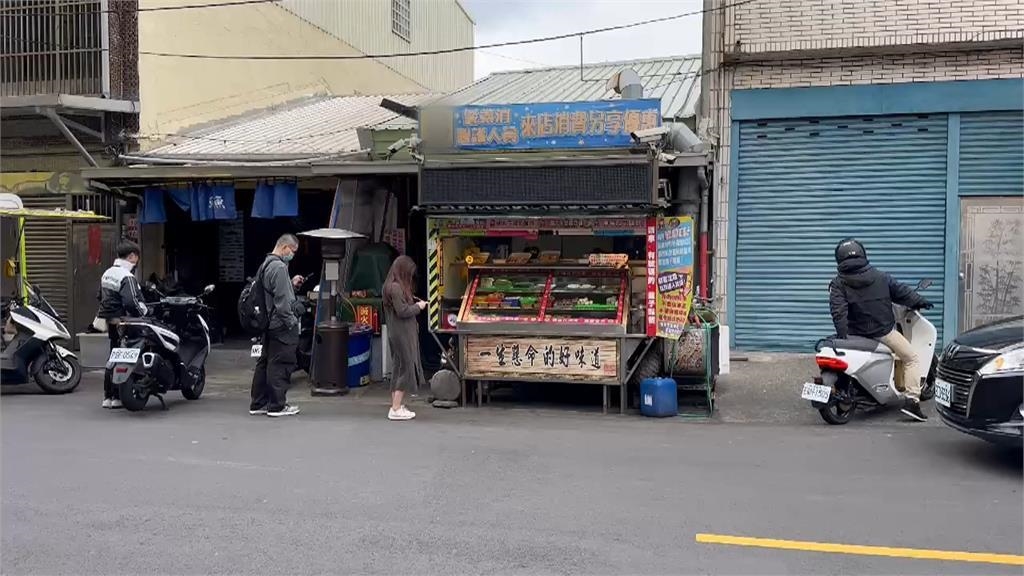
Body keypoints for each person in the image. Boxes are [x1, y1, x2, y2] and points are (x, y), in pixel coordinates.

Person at [828, 238, 933, 422]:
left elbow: (838, 311)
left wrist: (843, 335)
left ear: (839, 259)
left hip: (855, 334)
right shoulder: (880, 277)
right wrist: (920, 301)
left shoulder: (838, 283)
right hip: (883, 333)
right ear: (862, 254)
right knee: (912, 358)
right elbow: (902, 292)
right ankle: (912, 402)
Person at [249, 234, 306, 418]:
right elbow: (282, 302)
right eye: (293, 251)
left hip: (268, 323)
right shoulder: (279, 267)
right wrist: (292, 322)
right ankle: (277, 406)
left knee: (265, 363)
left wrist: (291, 284)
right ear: (284, 247)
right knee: (281, 364)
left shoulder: (265, 264)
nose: (293, 255)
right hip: (280, 324)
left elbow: (274, 292)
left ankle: (258, 403)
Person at [96, 241, 148, 409]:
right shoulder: (127, 276)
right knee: (128, 356)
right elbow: (131, 302)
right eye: (136, 257)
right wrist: (144, 313)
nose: (137, 261)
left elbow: (100, 296)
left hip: (111, 322)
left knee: (114, 355)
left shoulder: (107, 273)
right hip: (126, 322)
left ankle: (108, 396)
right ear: (132, 256)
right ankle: (119, 395)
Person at [382, 255, 427, 421]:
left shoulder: (389, 286)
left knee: (398, 367)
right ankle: (395, 408)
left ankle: (396, 405)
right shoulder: (395, 288)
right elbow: (402, 311)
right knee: (405, 368)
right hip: (401, 333)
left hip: (396, 332)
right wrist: (418, 306)